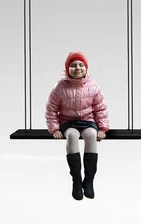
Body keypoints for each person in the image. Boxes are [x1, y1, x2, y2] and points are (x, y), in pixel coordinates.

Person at [45, 51, 109, 201]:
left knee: (91, 136)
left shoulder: (93, 86)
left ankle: (89, 180)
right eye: (73, 65)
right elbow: (51, 109)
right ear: (67, 69)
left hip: (88, 120)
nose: (77, 68)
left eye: (81, 65)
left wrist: (102, 128)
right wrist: (54, 128)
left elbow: (101, 108)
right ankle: (76, 179)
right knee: (72, 136)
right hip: (68, 121)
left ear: (86, 68)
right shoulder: (60, 87)